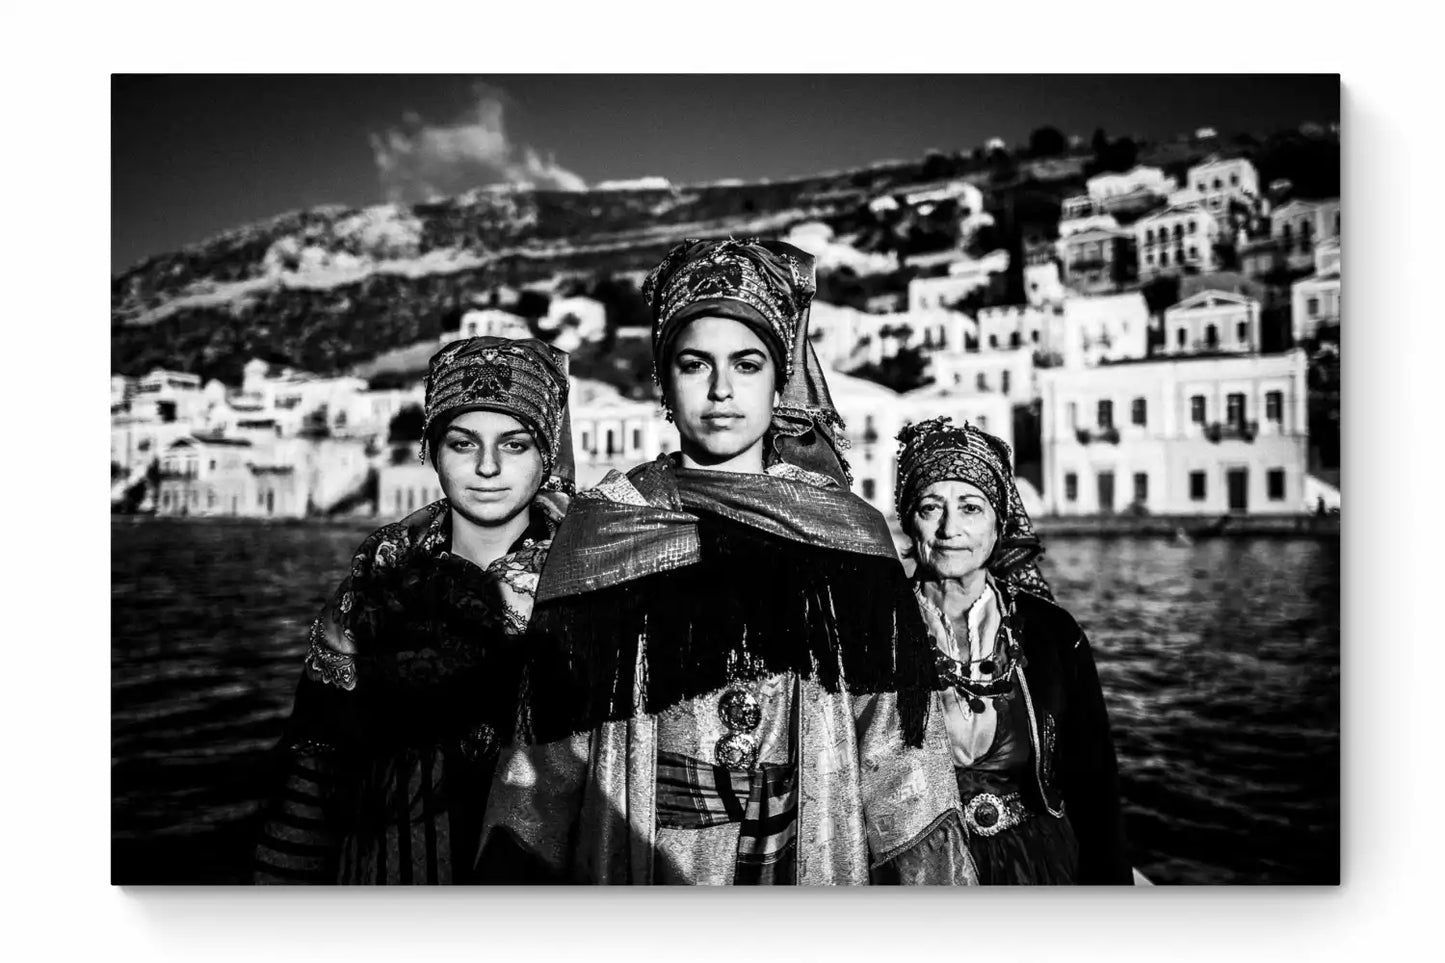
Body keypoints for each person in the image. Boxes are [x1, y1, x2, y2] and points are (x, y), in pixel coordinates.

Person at [477, 238, 974, 885]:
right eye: (693, 364)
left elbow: (901, 765)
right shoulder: (603, 530)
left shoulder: (846, 536)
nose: (720, 390)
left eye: (745, 364)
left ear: (778, 383)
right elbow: (544, 766)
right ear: (663, 379)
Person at [253, 337, 574, 884]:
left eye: (515, 445)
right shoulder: (374, 585)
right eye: (463, 443)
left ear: (545, 453)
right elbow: (311, 775)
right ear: (431, 450)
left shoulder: (589, 585)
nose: (489, 467)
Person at [895, 416, 1132, 884]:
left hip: (1038, 870)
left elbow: (1093, 778)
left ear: (998, 522)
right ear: (908, 520)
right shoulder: (878, 627)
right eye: (930, 508)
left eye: (970, 508)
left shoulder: (1051, 632)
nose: (950, 529)